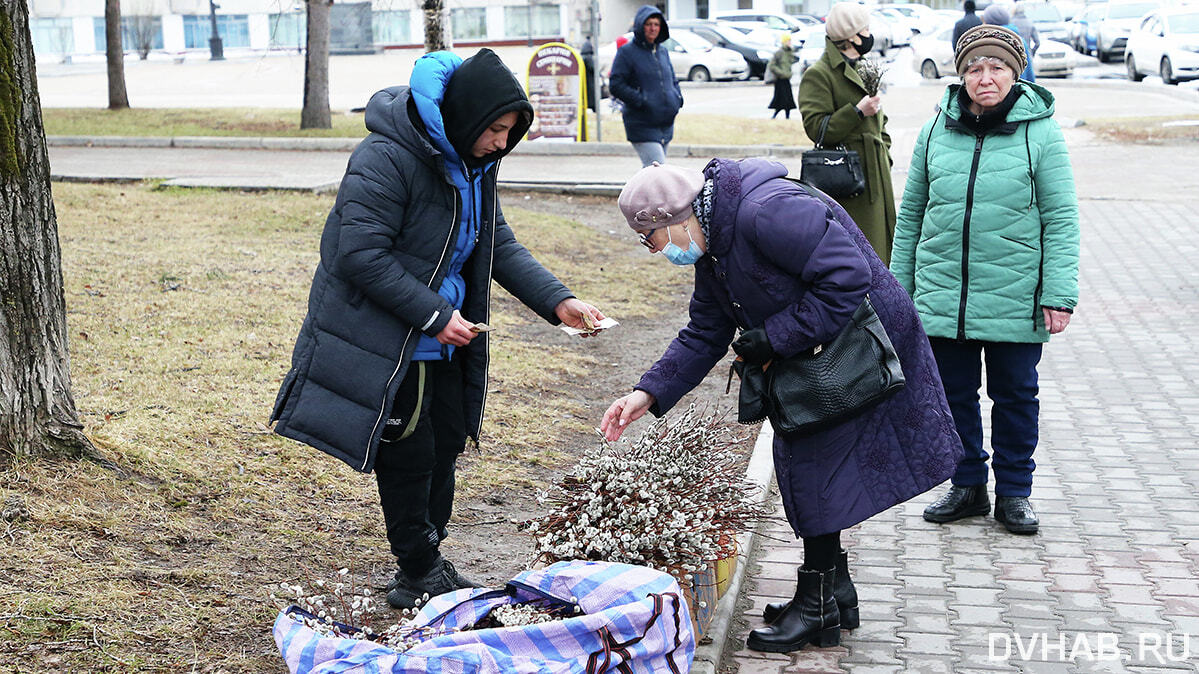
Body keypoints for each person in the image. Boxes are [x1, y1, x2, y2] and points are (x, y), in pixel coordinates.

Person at [270, 48, 606, 609]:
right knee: (410, 448)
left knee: (447, 440)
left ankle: (430, 556)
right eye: (494, 130)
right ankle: (417, 566)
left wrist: (559, 302)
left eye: (509, 132)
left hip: (450, 332)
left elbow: (496, 242)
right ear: (465, 116)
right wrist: (432, 315)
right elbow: (360, 254)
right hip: (392, 333)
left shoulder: (477, 166)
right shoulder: (386, 157)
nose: (501, 143)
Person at [600, 161, 961, 653]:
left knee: (810, 468)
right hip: (819, 347)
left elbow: (847, 275)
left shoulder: (766, 213)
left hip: (862, 342)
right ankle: (834, 591)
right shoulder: (713, 245)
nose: (656, 250)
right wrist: (648, 392)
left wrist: (774, 336)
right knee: (807, 464)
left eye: (652, 238)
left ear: (678, 218)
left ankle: (817, 608)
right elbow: (706, 331)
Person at [891, 25, 1079, 536]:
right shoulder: (936, 128)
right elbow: (911, 215)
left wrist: (1058, 293)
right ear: (962, 75)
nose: (985, 77)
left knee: (1016, 396)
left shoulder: (1040, 131)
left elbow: (1061, 218)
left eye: (996, 67)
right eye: (975, 68)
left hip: (1016, 295)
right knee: (952, 395)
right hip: (942, 293)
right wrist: (899, 289)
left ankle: (1015, 492)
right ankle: (967, 483)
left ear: (1014, 73)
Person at [798, 1, 897, 265]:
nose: (869, 34)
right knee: (859, 253)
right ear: (851, 35)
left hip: (876, 173)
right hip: (849, 181)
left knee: (884, 249)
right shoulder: (819, 74)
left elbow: (880, 121)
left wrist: (884, 152)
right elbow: (816, 128)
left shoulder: (863, 66)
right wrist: (856, 112)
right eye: (865, 29)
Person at [609, 5, 684, 167]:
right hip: (641, 124)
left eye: (656, 24)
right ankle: (637, 193)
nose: (653, 28)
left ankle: (639, 193)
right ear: (640, 25)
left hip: (665, 124)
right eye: (648, 24)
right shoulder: (627, 52)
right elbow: (616, 84)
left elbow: (672, 79)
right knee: (658, 171)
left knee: (653, 173)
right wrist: (641, 100)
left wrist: (677, 98)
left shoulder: (662, 51)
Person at [983, 4, 1036, 82]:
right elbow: (1029, 73)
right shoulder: (1020, 40)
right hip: (1021, 89)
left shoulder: (989, 41)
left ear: (988, 22)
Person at [767, 34, 797, 119]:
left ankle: (787, 116)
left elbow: (791, 63)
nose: (789, 43)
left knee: (788, 99)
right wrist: (781, 73)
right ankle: (774, 115)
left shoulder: (790, 52)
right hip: (779, 79)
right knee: (780, 99)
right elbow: (772, 65)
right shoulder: (779, 52)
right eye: (788, 41)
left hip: (787, 79)